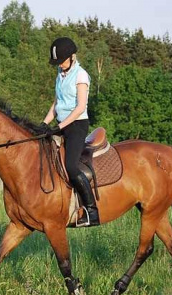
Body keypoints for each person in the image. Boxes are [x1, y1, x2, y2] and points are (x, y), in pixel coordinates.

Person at [40, 37, 100, 226]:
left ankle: (91, 210)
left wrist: (61, 125)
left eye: (62, 61)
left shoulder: (81, 75)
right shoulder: (60, 74)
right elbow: (57, 102)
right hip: (61, 123)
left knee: (71, 167)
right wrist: (44, 122)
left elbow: (80, 106)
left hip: (76, 125)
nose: (60, 65)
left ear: (72, 57)